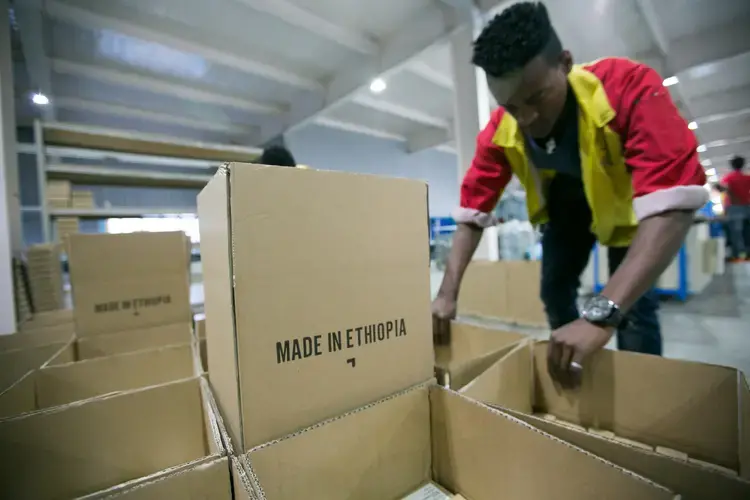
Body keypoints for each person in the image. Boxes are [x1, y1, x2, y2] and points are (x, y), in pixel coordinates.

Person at [431, 2, 708, 387]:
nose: (526, 118)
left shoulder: (628, 87)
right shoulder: (500, 129)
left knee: (634, 309)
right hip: (565, 209)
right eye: (510, 106)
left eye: (537, 98)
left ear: (565, 63)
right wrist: (446, 294)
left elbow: (673, 202)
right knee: (554, 289)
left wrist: (602, 313)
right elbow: (472, 212)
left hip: (623, 208)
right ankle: (572, 362)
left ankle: (643, 396)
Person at [718, 156, 750, 261]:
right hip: (747, 207)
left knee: (735, 232)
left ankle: (736, 255)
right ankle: (748, 253)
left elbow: (723, 188)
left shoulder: (729, 178)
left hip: (733, 208)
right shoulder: (747, 178)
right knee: (747, 231)